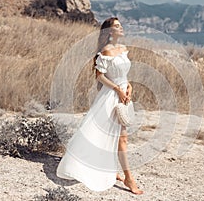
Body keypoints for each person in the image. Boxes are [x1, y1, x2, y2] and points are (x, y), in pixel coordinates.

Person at [56, 17, 143, 195]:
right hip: (111, 96)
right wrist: (118, 89)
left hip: (124, 93)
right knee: (120, 138)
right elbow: (99, 76)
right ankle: (129, 178)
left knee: (118, 137)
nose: (121, 28)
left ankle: (113, 170)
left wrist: (129, 86)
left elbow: (124, 73)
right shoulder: (106, 51)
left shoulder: (123, 49)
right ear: (109, 31)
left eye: (121, 25)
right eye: (117, 26)